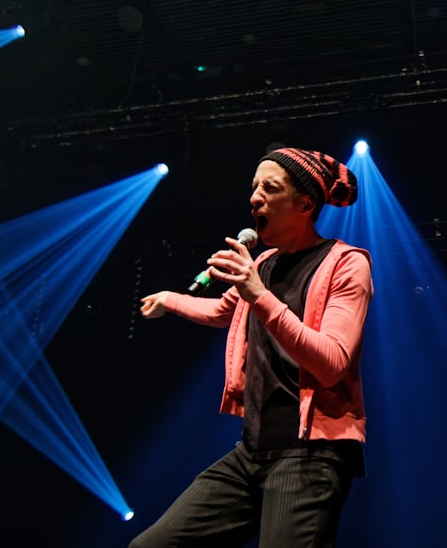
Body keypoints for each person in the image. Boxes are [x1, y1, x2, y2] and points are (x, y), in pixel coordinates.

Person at [131, 147, 373, 548]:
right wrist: (170, 299)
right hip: (253, 451)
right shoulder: (263, 265)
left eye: (269, 187)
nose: (254, 196)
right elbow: (224, 311)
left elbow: (332, 363)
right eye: (254, 187)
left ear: (304, 203)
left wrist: (258, 293)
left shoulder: (345, 264)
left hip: (310, 456)